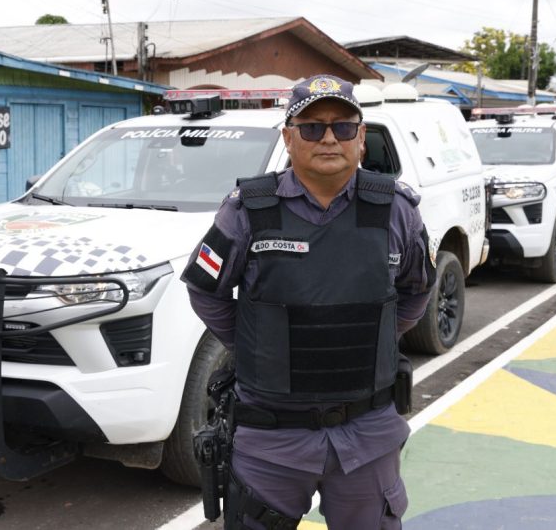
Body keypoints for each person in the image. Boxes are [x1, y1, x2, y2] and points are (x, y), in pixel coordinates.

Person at [181, 74, 436, 529]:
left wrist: (374, 337)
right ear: (288, 137)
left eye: (343, 126)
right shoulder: (247, 211)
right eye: (312, 127)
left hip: (368, 435)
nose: (329, 138)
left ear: (361, 137)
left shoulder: (396, 209)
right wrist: (259, 344)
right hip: (270, 437)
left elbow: (416, 289)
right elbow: (206, 290)